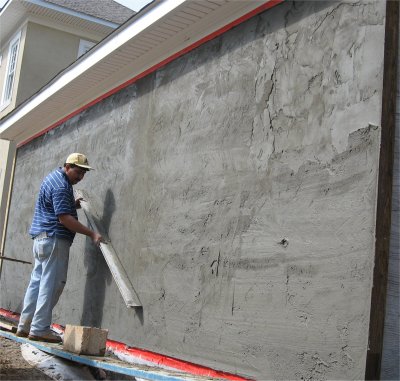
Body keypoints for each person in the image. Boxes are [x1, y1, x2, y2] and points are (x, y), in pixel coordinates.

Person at [16, 153, 103, 343]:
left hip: (41, 240)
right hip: (55, 240)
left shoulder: (52, 179)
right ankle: (39, 329)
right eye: (78, 172)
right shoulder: (62, 186)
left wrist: (72, 206)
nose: (80, 177)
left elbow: (56, 208)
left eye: (83, 174)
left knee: (37, 284)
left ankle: (25, 325)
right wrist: (92, 234)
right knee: (51, 285)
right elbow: (64, 219)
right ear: (67, 166)